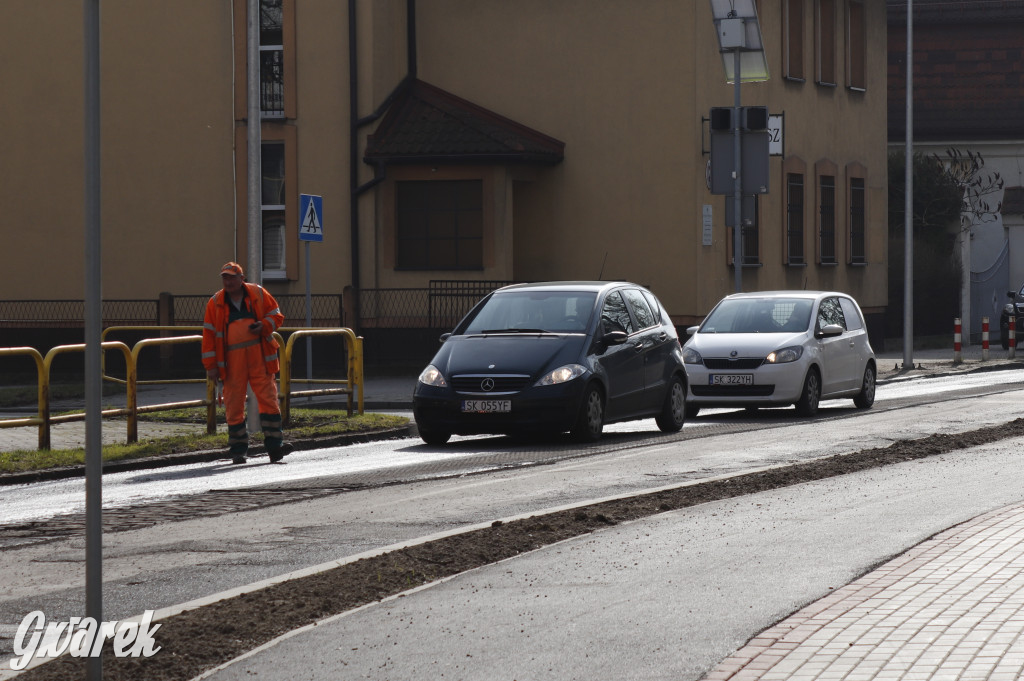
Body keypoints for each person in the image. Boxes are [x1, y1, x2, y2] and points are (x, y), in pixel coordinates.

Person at [202, 261, 293, 464]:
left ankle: (275, 447)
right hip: (231, 361)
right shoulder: (215, 302)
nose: (228, 281)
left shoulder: (258, 294)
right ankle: (238, 450)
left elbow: (276, 315)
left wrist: (263, 326)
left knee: (268, 399)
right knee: (234, 404)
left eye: (231, 277)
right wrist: (211, 367)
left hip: (259, 357)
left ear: (241, 279)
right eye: (224, 278)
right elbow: (208, 336)